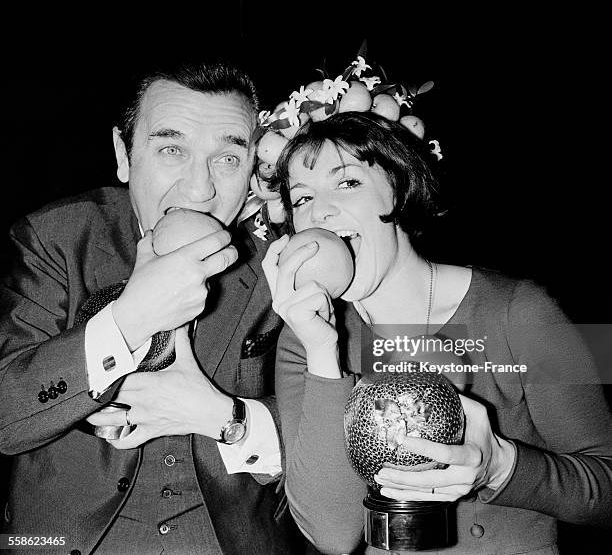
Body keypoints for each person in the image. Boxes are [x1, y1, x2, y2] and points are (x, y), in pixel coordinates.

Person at [263, 112, 612, 554]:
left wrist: (500, 466)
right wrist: (322, 354)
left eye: (346, 182)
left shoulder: (522, 310)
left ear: (398, 184)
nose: (319, 211)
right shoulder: (303, 341)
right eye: (301, 198)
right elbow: (333, 534)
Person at [0, 61, 305, 554]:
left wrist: (229, 418)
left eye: (227, 159)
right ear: (124, 154)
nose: (199, 189)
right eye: (171, 149)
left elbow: (337, 423)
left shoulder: (286, 259)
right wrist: (129, 320)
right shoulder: (55, 240)